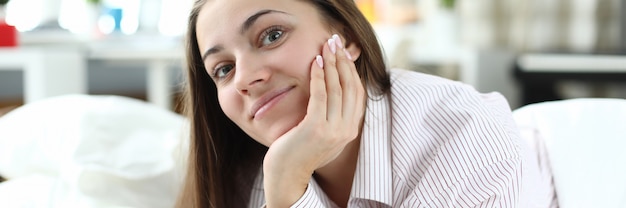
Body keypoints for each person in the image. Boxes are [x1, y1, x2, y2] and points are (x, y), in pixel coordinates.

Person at [176, 0, 555, 207]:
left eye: (271, 35)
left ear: (348, 37)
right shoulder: (243, 176)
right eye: (223, 69)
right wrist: (284, 182)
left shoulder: (465, 141)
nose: (243, 78)